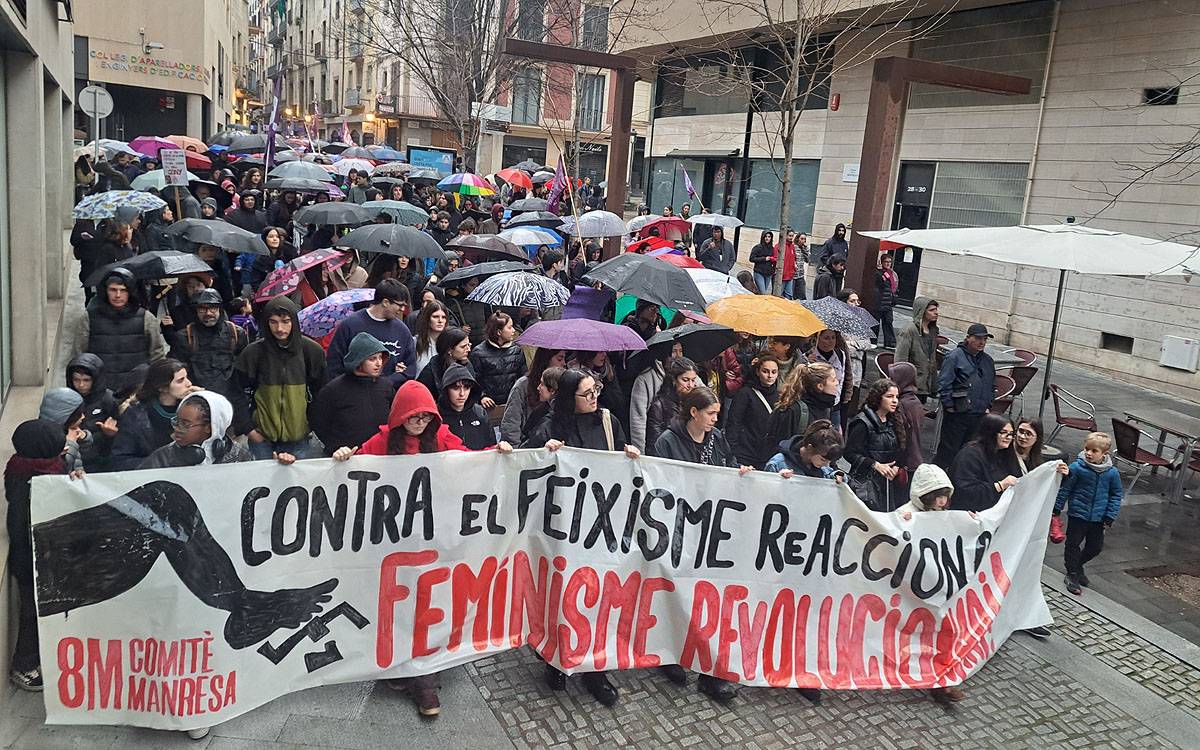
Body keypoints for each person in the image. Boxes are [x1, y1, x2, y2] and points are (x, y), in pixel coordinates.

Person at [330, 380, 512, 717]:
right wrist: (344, 457)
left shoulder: (440, 438)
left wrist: (494, 456)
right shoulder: (382, 442)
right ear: (400, 415)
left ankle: (426, 680)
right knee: (397, 606)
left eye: (426, 417)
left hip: (433, 540)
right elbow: (351, 470)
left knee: (428, 606)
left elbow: (468, 461)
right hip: (391, 542)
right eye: (414, 416)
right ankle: (400, 669)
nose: (420, 422)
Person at [523, 369, 638, 707]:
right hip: (562, 530)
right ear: (568, 399)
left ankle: (595, 669)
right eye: (587, 393)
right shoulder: (549, 426)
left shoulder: (607, 421)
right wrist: (545, 453)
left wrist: (629, 456)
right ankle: (555, 658)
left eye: (596, 389)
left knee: (597, 598)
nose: (594, 397)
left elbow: (619, 462)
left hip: (601, 528)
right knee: (561, 596)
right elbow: (524, 463)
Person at [652, 386, 751, 702]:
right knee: (676, 594)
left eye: (717, 414)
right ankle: (670, 653)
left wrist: (740, 473)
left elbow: (728, 464)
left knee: (710, 599)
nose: (715, 420)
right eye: (710, 414)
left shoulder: (716, 438)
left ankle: (711, 671)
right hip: (681, 530)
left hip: (712, 529)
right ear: (693, 412)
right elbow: (661, 485)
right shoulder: (667, 442)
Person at [6, 419, 75, 690]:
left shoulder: (22, 466)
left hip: (38, 558)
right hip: (32, 561)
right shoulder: (31, 484)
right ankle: (23, 665)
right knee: (32, 614)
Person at [895, 463, 969, 703]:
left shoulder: (943, 515)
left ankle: (942, 681)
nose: (942, 502)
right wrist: (901, 524)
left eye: (945, 497)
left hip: (935, 586)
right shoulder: (906, 513)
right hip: (910, 589)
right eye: (937, 497)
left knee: (941, 632)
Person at [234, 296, 326, 461]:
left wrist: (313, 425)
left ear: (294, 322)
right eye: (273, 322)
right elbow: (236, 392)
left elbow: (322, 393)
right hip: (263, 439)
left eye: (285, 321)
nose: (280, 328)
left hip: (300, 440)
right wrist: (249, 429)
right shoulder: (253, 353)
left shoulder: (311, 351)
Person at [74, 268, 170, 397]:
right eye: (113, 290)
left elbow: (157, 355)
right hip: (100, 390)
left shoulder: (147, 318)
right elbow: (79, 355)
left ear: (130, 292)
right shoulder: (88, 318)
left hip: (135, 391)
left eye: (123, 290)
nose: (118, 295)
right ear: (105, 291)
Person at [170, 288, 250, 431]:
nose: (208, 313)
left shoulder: (236, 334)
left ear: (219, 309)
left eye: (212, 308)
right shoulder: (185, 337)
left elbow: (245, 372)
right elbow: (175, 371)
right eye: (202, 309)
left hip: (232, 406)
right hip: (198, 408)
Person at [1055, 432, 1123, 596]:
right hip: (1078, 514)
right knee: (1073, 544)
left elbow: (1116, 494)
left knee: (1095, 547)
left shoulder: (1111, 473)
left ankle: (1077, 565)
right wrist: (1057, 507)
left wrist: (1110, 515)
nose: (1089, 453)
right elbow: (1066, 488)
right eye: (1087, 449)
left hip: (1098, 518)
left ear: (1104, 454)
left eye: (1094, 451)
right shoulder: (1077, 468)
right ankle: (1072, 573)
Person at [310, 332, 395, 456]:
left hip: (380, 456)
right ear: (359, 360)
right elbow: (319, 423)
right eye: (372, 359)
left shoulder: (386, 386)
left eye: (380, 357)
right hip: (345, 458)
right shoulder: (334, 389)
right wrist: (336, 448)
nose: (379, 363)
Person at [324, 279, 417, 387]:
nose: (402, 309)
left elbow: (410, 369)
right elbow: (334, 365)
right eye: (400, 305)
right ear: (385, 302)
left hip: (388, 396)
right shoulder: (350, 325)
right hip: (354, 394)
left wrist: (389, 381)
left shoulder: (402, 330)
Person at [110, 359, 196, 471]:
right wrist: (160, 463)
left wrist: (204, 399)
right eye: (180, 381)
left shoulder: (194, 409)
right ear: (163, 387)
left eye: (187, 377)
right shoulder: (135, 415)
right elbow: (120, 460)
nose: (189, 383)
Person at [139, 391, 253, 468]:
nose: (177, 429)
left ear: (209, 427)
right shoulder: (161, 459)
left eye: (185, 424)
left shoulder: (240, 457)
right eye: (176, 422)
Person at [935, 324, 996, 468]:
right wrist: (949, 406)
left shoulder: (987, 360)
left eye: (985, 339)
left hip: (979, 415)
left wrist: (989, 403)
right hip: (958, 414)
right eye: (978, 338)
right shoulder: (954, 357)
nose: (982, 342)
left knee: (969, 453)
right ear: (968, 338)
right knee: (948, 452)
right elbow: (944, 383)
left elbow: (992, 384)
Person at [844, 378, 907, 511]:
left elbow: (900, 451)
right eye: (889, 396)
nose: (895, 400)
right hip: (865, 484)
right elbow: (849, 453)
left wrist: (895, 467)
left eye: (897, 397)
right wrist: (875, 465)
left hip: (887, 483)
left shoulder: (895, 420)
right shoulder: (862, 423)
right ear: (878, 398)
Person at [948, 414, 1021, 513]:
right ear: (991, 433)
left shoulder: (1006, 453)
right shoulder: (970, 455)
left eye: (1011, 434)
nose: (1008, 437)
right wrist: (1000, 486)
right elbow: (965, 492)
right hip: (969, 514)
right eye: (1004, 433)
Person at [725, 352, 781, 468]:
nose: (770, 376)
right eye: (765, 371)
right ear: (757, 372)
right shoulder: (745, 394)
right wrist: (734, 451)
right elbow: (734, 423)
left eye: (773, 372)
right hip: (746, 453)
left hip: (769, 454)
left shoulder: (780, 396)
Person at [65, 353, 119, 472]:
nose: (81, 385)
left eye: (86, 380)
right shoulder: (66, 398)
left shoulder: (108, 399)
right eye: (76, 380)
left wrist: (109, 434)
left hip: (101, 456)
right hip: (73, 457)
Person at [500, 349, 566, 444]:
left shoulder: (564, 385)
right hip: (526, 447)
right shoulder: (523, 385)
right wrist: (516, 450)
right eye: (560, 359)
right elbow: (511, 422)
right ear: (546, 360)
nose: (564, 363)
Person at [766, 362, 836, 449]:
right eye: (833, 380)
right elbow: (778, 445)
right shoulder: (793, 410)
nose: (837, 383)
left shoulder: (825, 408)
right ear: (820, 386)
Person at [469, 312, 527, 408]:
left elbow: (523, 376)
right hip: (488, 405)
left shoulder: (517, 350)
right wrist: (482, 396)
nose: (513, 330)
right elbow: (474, 380)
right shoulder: (478, 353)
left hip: (512, 403)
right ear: (499, 332)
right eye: (509, 327)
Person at [645, 357, 699, 455]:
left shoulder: (696, 402)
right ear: (674, 380)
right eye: (685, 380)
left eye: (693, 380)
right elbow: (654, 445)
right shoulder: (659, 406)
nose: (690, 385)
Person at [437, 364, 496, 450]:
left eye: (467, 388)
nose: (462, 394)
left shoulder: (480, 413)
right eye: (456, 388)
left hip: (479, 462)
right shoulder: (437, 416)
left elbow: (491, 445)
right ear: (446, 390)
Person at [764, 419, 844, 482]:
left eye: (829, 461)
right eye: (823, 459)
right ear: (810, 448)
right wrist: (778, 479)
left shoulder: (822, 467)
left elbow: (830, 474)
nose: (826, 465)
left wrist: (837, 475)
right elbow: (765, 489)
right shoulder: (778, 463)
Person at [806, 329, 854, 430]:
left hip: (836, 404)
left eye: (833, 338)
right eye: (826, 338)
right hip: (818, 405)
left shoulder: (840, 354)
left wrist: (847, 396)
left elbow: (847, 375)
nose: (831, 341)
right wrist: (806, 361)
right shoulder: (810, 356)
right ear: (818, 339)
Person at [894, 297, 940, 401]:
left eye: (936, 309)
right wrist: (902, 385)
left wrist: (934, 386)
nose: (936, 313)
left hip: (925, 385)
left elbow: (932, 360)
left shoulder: (933, 331)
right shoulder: (909, 330)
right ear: (922, 311)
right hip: (910, 385)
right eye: (931, 310)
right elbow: (901, 360)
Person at [836, 289, 871, 418]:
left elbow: (866, 344)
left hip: (855, 370)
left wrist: (852, 345)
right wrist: (849, 347)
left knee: (846, 406)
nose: (856, 304)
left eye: (857, 301)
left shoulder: (859, 322)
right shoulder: (837, 321)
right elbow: (839, 346)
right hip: (839, 369)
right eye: (852, 301)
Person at [888, 362, 927, 474]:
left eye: (892, 378)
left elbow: (903, 435)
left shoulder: (901, 404)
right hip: (914, 458)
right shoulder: (914, 401)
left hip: (904, 461)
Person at [413, 300, 450, 372]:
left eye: (443, 317)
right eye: (435, 317)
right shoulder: (414, 342)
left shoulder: (450, 343)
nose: (440, 320)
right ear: (427, 318)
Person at [875, 254, 898, 348]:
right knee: (876, 324)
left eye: (890, 262)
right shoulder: (879, 273)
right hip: (880, 302)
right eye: (886, 262)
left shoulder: (893, 274)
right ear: (882, 262)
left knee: (888, 322)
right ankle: (873, 341)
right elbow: (880, 283)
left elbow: (895, 287)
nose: (888, 264)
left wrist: (894, 298)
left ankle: (890, 343)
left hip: (888, 302)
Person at [749, 230, 776, 294]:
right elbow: (751, 259)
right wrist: (764, 259)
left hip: (768, 273)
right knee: (763, 293)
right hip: (759, 272)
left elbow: (774, 259)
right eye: (765, 236)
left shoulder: (772, 248)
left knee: (761, 293)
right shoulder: (758, 247)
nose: (767, 238)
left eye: (769, 237)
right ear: (762, 237)